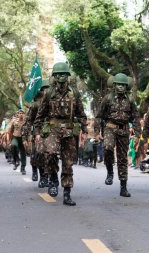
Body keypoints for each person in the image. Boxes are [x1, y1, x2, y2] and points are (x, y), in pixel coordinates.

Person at [34, 62, 87, 206]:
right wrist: (37, 131)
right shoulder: (49, 93)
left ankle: (67, 194)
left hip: (69, 131)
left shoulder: (74, 93)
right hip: (52, 129)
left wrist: (85, 130)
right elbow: (40, 115)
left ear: (68, 76)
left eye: (64, 74)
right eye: (59, 74)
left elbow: (81, 114)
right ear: (55, 77)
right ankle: (53, 178)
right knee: (50, 153)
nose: (62, 76)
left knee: (68, 162)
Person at [95, 73, 141, 196]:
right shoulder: (107, 98)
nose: (121, 87)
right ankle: (110, 171)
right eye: (118, 84)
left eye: (123, 85)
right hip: (110, 127)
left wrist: (137, 134)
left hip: (124, 130)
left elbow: (136, 118)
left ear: (126, 87)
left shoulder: (130, 100)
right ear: (114, 85)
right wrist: (97, 132)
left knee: (122, 158)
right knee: (108, 147)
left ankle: (123, 187)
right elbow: (99, 116)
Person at [22, 80, 50, 186]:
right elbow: (28, 122)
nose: (47, 91)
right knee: (38, 155)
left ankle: (48, 177)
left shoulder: (54, 102)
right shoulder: (35, 105)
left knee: (50, 156)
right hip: (38, 134)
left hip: (52, 133)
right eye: (44, 89)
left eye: (48, 88)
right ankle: (40, 175)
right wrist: (24, 137)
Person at [7, 109, 26, 174]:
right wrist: (9, 140)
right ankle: (16, 161)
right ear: (17, 114)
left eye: (22, 113)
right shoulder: (14, 121)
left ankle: (23, 168)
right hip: (15, 137)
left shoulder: (26, 122)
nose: (21, 114)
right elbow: (10, 131)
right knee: (13, 146)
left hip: (23, 138)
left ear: (24, 114)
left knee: (23, 153)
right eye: (20, 113)